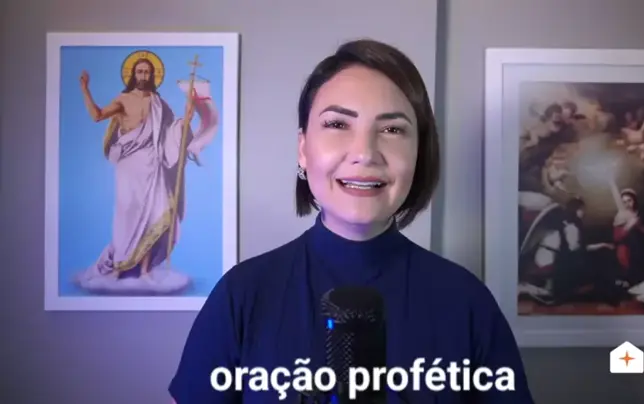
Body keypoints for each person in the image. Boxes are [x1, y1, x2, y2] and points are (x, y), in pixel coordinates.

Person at [169, 39, 534, 403]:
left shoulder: (466, 301)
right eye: (337, 124)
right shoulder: (242, 295)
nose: (365, 153)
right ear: (303, 149)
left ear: (419, 152)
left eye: (392, 130)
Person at [76, 56, 219, 289]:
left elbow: (170, 132)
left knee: (155, 215)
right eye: (139, 72)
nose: (143, 76)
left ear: (152, 76)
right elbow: (97, 115)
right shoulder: (123, 99)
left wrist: (185, 120)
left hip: (154, 165)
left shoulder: (158, 104)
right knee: (127, 216)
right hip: (129, 166)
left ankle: (144, 271)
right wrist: (85, 89)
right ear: (133, 75)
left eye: (147, 72)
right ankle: (119, 267)